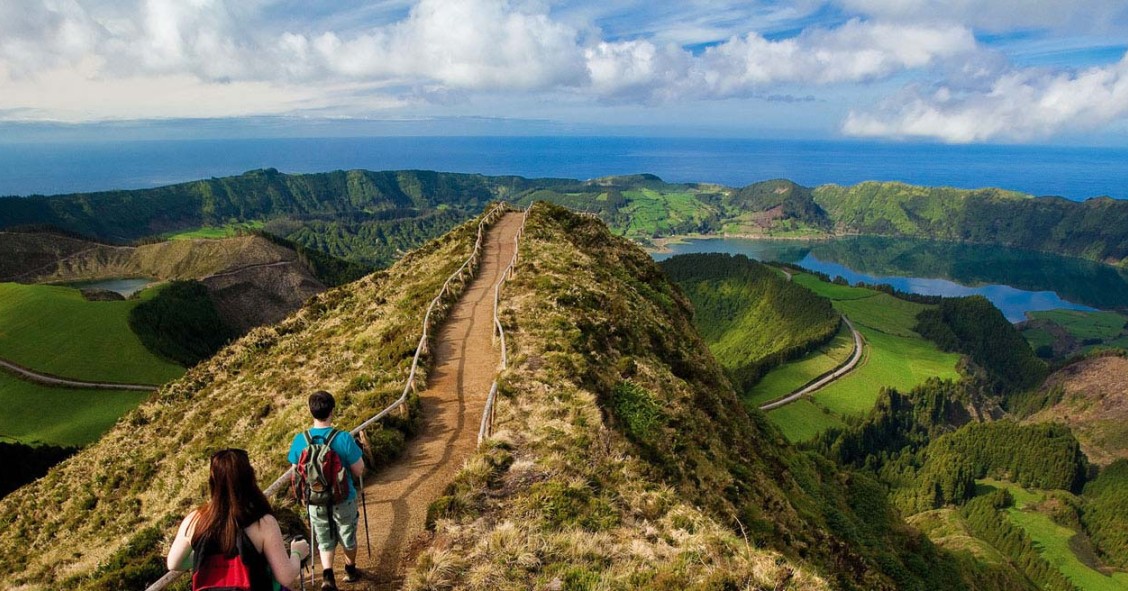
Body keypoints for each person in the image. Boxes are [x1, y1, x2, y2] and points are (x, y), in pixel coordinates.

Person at [167, 448, 310, 590]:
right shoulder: (263, 523)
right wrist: (297, 552)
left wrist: (207, 558)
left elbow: (173, 563)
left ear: (213, 481)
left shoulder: (194, 520)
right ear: (249, 478)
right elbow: (285, 576)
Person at [288, 391, 365, 591]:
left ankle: (328, 576)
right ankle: (350, 570)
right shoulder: (344, 438)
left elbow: (296, 471)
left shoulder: (300, 440)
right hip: (343, 498)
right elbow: (359, 470)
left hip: (315, 500)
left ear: (310, 411)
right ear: (332, 410)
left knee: (323, 539)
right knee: (347, 536)